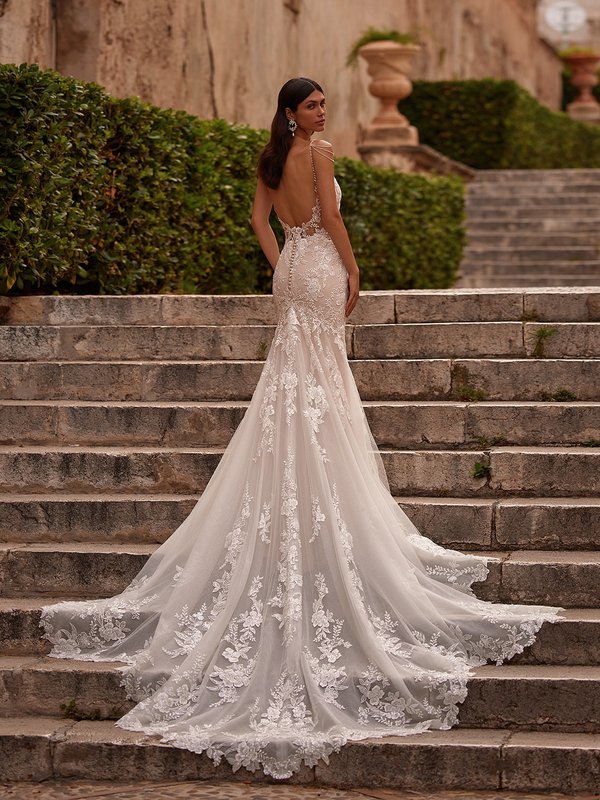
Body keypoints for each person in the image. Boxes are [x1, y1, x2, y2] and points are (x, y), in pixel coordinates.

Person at [40, 77, 565, 781]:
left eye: (322, 103)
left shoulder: (268, 158)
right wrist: (351, 270)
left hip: (292, 270)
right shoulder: (316, 154)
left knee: (299, 387)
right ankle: (320, 485)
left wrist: (283, 263)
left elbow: (261, 221)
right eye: (313, 103)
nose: (323, 111)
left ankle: (308, 479)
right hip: (316, 270)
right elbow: (336, 222)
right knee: (320, 387)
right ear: (293, 110)